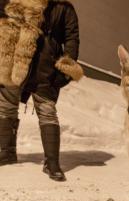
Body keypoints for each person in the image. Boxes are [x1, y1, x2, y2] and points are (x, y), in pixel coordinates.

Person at [0, 0, 83, 181]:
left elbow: (71, 38)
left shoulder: (63, 7)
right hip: (15, 63)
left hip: (44, 66)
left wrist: (66, 67)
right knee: (6, 106)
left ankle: (52, 162)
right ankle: (6, 153)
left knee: (47, 110)